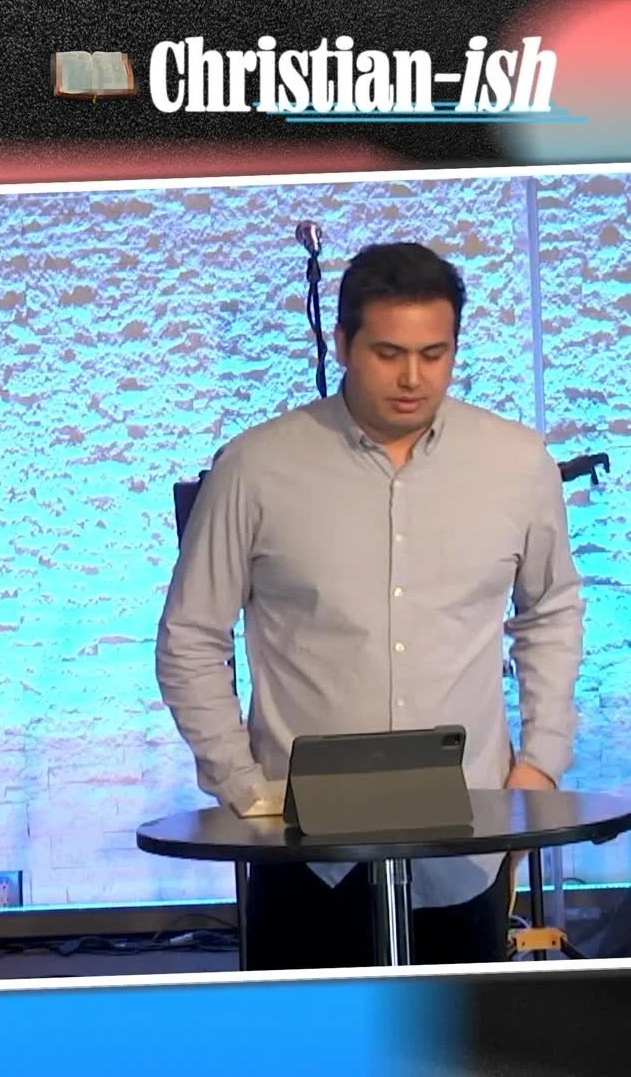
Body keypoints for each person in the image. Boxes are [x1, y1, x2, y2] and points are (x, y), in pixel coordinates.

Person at [156, 241, 584, 969]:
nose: (413, 378)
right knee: (310, 1032)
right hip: (299, 851)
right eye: (388, 354)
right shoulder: (256, 467)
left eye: (433, 354)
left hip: (470, 842)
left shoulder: (517, 464)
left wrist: (539, 765)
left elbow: (551, 612)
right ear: (343, 343)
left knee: (460, 1032)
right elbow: (190, 636)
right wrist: (241, 784)